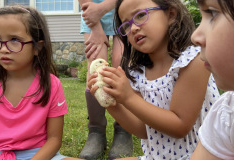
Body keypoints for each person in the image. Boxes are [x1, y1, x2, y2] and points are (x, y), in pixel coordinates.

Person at [87, 0, 221, 159]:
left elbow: (180, 126)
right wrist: (110, 103)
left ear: (171, 14)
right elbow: (144, 130)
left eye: (141, 15)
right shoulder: (137, 73)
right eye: (127, 25)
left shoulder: (193, 60)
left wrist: (128, 97)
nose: (134, 28)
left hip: (195, 155)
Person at [0, 5, 78, 160]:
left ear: (37, 47)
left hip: (42, 155)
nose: (3, 49)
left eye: (14, 40)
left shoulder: (51, 84)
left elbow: (54, 140)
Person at [78, 0, 133, 159]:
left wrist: (103, 8)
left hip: (124, 9)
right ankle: (96, 131)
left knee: (121, 64)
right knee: (95, 64)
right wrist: (94, 24)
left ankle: (124, 129)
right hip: (90, 12)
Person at [190, 0, 234, 159]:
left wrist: (129, 98)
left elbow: (178, 126)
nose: (195, 36)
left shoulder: (188, 62)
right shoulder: (227, 113)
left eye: (212, 13)